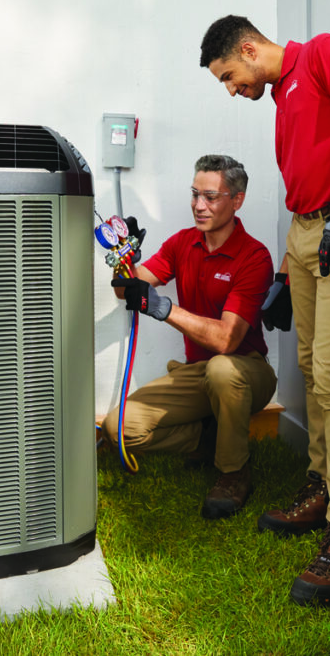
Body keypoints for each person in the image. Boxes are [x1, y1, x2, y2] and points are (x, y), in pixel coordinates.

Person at [199, 15, 330, 606]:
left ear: (250, 49)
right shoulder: (283, 96)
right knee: (311, 368)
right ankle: (320, 486)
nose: (232, 89)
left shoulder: (323, 54)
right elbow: (302, 184)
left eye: (230, 76)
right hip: (308, 232)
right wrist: (288, 264)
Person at [102, 154, 277, 520]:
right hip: (199, 372)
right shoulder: (183, 243)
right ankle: (208, 438)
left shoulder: (254, 257)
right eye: (195, 194)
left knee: (222, 370)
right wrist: (125, 263)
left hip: (246, 371)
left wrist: (165, 309)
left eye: (211, 197)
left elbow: (228, 340)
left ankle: (233, 473)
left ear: (237, 199)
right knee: (119, 427)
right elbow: (128, 291)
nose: (199, 205)